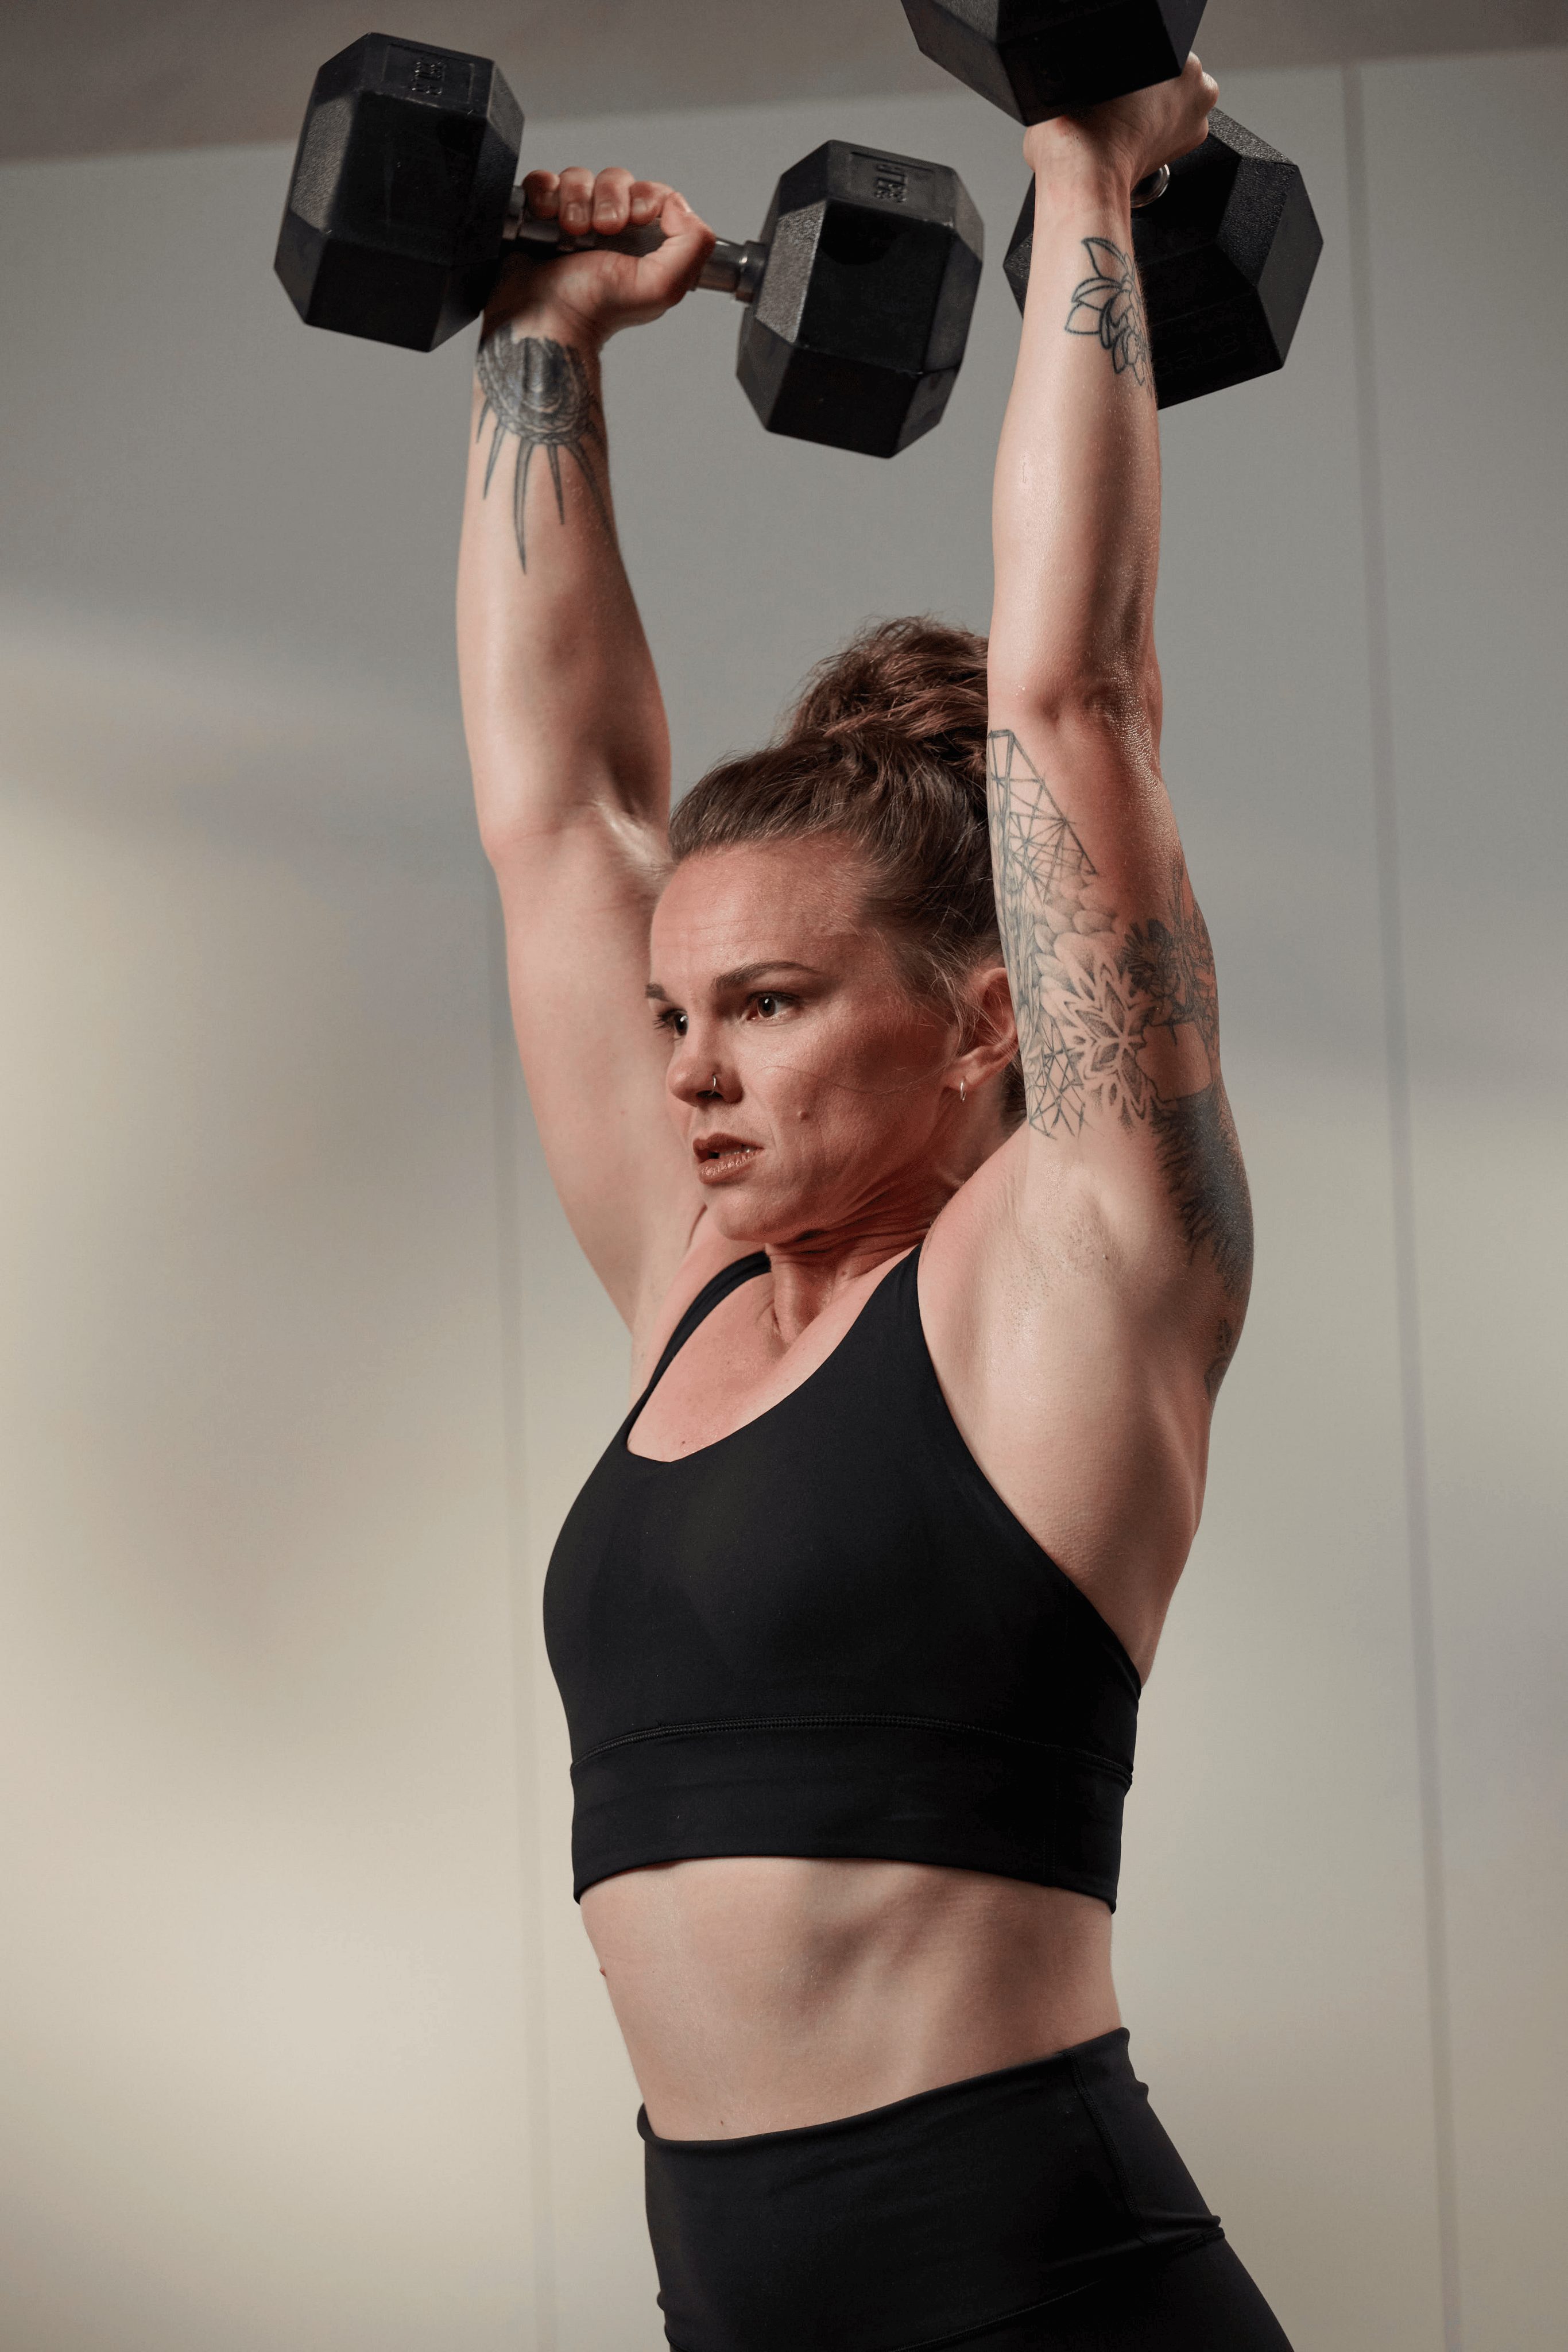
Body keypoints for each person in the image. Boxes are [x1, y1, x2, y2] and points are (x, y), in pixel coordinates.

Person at [457, 52, 1290, 2352]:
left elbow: (1076, 694)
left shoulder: (1077, 1275)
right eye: (670, 1018)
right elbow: (556, 814)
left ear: (982, 1018)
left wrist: (1081, 166)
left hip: (1033, 2292)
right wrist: (538, 342)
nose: (689, 1074)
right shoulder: (695, 1270)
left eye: (772, 1004)